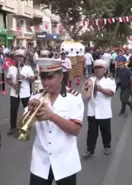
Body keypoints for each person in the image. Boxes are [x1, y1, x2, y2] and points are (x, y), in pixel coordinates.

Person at [24, 57, 84, 185]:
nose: (46, 83)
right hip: (40, 161)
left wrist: (52, 116)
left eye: (50, 78)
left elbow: (75, 130)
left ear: (61, 77)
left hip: (65, 161)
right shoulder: (36, 97)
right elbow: (23, 125)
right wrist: (28, 112)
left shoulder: (74, 98)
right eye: (43, 78)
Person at [82, 59, 116, 158]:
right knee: (91, 132)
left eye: (100, 68)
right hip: (92, 111)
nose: (97, 70)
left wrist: (100, 89)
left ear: (105, 70)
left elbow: (111, 93)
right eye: (96, 68)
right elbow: (85, 95)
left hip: (104, 111)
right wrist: (86, 89)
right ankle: (90, 150)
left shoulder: (110, 81)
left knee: (106, 131)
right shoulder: (90, 80)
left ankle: (107, 146)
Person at [6, 49, 35, 135]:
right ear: (14, 58)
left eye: (21, 56)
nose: (19, 58)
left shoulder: (28, 68)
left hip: (25, 92)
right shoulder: (11, 68)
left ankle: (27, 124)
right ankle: (13, 126)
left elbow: (33, 79)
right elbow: (8, 79)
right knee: (13, 110)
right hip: (14, 93)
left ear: (24, 58)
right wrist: (13, 85)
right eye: (18, 56)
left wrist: (25, 77)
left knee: (27, 109)